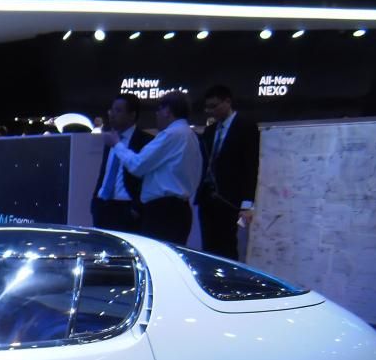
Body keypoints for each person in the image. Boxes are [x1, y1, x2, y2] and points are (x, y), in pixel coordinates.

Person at [104, 91, 202, 245]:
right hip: (180, 209)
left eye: (159, 110)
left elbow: (137, 165)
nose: (156, 114)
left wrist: (117, 144)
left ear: (167, 111)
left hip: (163, 212)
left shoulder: (171, 134)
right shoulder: (191, 136)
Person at [195, 85, 260, 260]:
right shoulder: (210, 131)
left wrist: (247, 204)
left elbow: (250, 166)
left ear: (228, 102)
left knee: (227, 246)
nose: (211, 111)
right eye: (208, 107)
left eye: (214, 106)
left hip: (230, 199)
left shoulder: (245, 126)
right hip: (207, 198)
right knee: (208, 247)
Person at [92, 94, 151, 233]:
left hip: (126, 207)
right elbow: (105, 172)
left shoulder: (145, 141)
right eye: (112, 110)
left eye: (118, 111)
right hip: (103, 205)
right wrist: (95, 202)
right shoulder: (111, 138)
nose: (112, 115)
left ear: (132, 115)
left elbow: (146, 177)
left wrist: (137, 207)